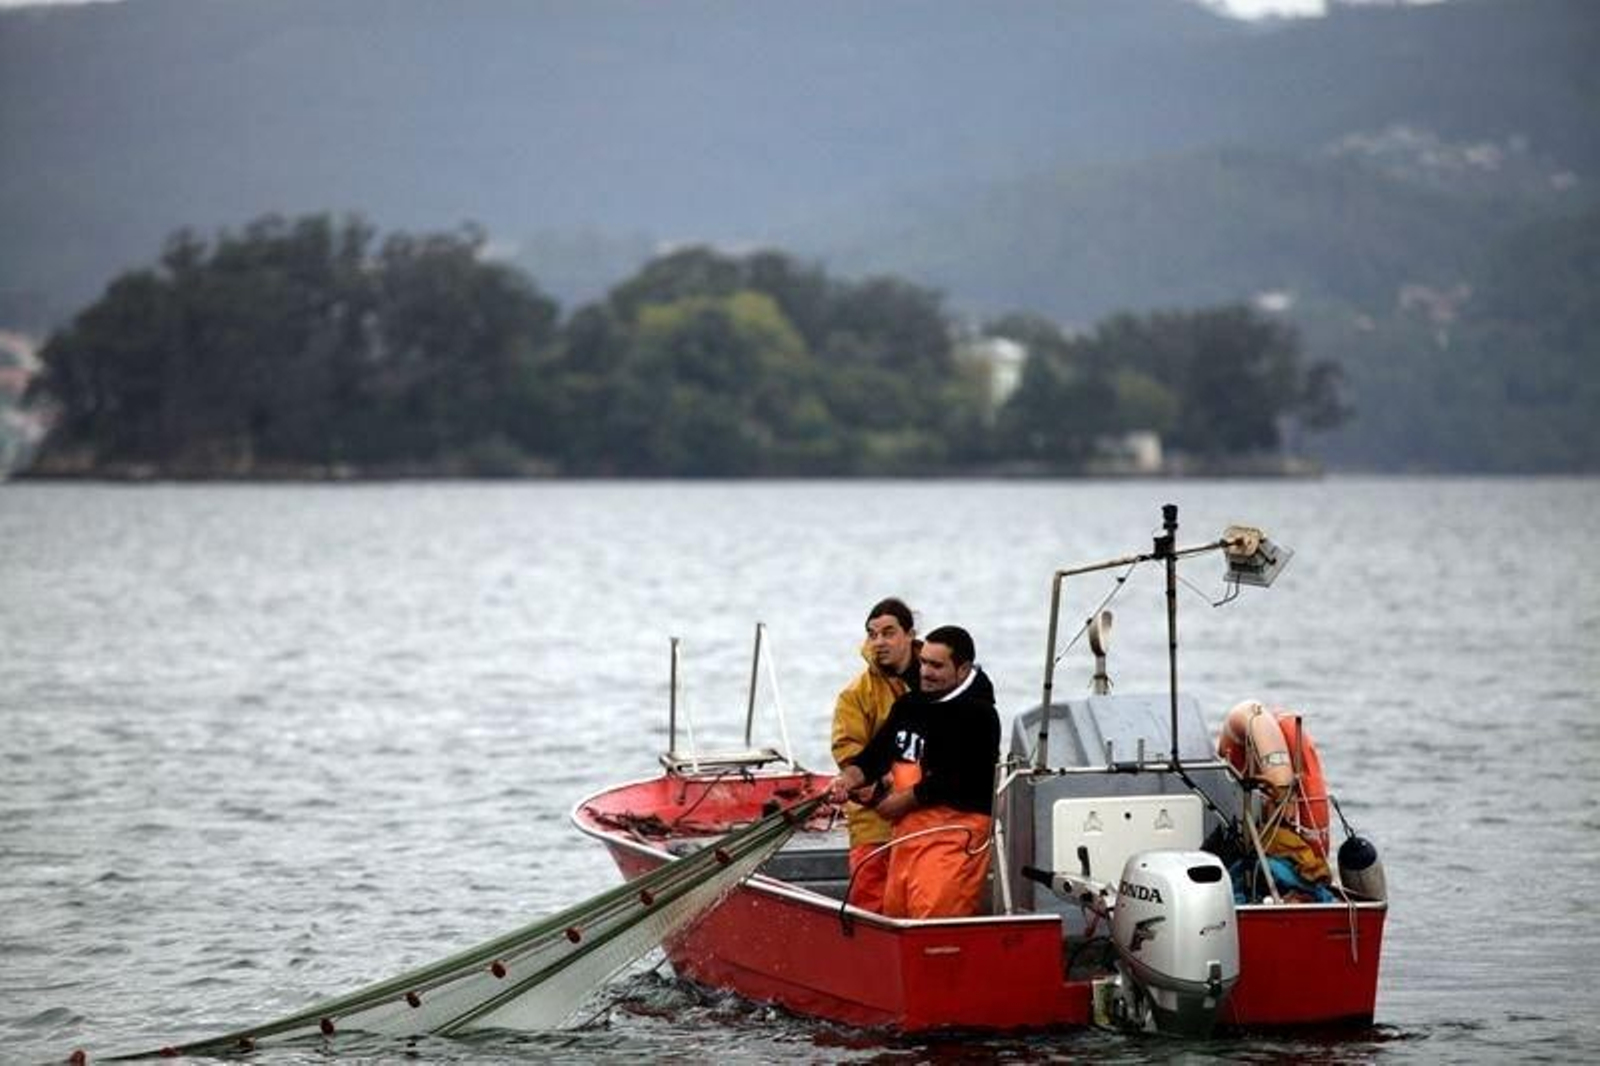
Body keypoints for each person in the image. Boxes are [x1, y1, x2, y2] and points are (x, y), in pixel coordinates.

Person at [828, 625, 1000, 919]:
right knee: (896, 916)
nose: (925, 672)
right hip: (906, 836)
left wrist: (895, 803)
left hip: (954, 837)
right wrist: (848, 779)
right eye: (923, 662)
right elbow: (876, 755)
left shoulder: (980, 715)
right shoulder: (910, 705)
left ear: (963, 669)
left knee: (933, 920)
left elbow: (953, 779)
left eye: (936, 665)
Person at [831, 597, 919, 912]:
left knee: (921, 901)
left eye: (889, 632)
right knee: (871, 904)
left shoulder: (935, 678)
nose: (879, 641)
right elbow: (849, 754)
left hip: (927, 816)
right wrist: (872, 785)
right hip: (875, 821)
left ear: (910, 634)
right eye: (873, 634)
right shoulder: (854, 695)